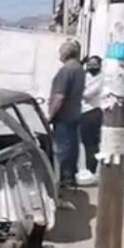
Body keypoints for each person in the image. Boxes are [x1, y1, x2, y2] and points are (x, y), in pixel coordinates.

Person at [49, 40, 86, 188]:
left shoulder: (65, 71)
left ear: (65, 53)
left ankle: (63, 178)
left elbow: (59, 96)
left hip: (63, 115)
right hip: (75, 113)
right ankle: (69, 176)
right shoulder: (79, 70)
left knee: (63, 148)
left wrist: (50, 115)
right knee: (72, 147)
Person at [80, 55, 104, 174]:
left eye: (95, 64)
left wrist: (78, 90)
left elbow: (87, 94)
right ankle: (87, 168)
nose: (92, 67)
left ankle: (91, 169)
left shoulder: (101, 78)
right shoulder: (85, 75)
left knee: (92, 144)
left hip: (93, 111)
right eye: (90, 64)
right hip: (82, 112)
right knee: (85, 142)